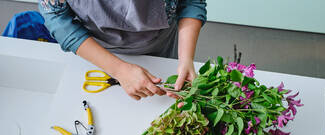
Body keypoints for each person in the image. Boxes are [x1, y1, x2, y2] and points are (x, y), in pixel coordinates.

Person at [39, 0, 206, 100]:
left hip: (161, 44)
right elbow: (57, 18)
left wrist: (186, 59)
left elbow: (191, 2)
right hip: (95, 51)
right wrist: (118, 69)